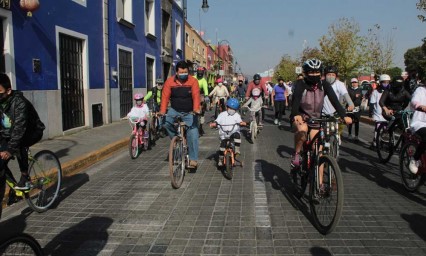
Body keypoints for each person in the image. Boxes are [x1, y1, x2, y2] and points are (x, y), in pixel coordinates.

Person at [291, 59, 351, 169]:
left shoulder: (324, 85)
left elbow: (335, 101)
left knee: (319, 152)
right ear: (306, 73)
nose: (314, 75)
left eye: (317, 72)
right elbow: (295, 101)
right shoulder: (301, 84)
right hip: (301, 116)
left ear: (321, 72)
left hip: (316, 119)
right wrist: (296, 114)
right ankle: (297, 154)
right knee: (303, 130)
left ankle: (320, 185)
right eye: (311, 72)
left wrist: (344, 116)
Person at [0, 73, 45, 207]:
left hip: (32, 131)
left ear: (8, 91)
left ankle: (25, 176)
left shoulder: (20, 103)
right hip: (8, 134)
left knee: (18, 144)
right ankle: (14, 189)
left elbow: (19, 129)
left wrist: (9, 149)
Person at [159, 61, 201, 168]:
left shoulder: (193, 81)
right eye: (181, 72)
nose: (184, 74)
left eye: (186, 72)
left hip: (189, 111)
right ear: (176, 72)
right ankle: (176, 140)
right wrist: (162, 111)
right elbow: (165, 97)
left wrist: (196, 109)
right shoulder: (169, 82)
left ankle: (193, 159)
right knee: (165, 122)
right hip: (175, 110)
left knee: (193, 133)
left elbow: (196, 96)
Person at [209, 98, 246, 166]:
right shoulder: (222, 114)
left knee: (237, 135)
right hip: (223, 135)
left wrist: (242, 123)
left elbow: (240, 121)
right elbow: (217, 121)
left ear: (236, 109)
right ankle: (220, 159)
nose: (231, 110)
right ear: (227, 107)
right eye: (230, 108)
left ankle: (237, 149)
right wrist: (214, 123)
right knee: (222, 147)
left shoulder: (237, 115)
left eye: (233, 109)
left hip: (233, 133)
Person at [408, 82, 426, 174]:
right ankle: (414, 159)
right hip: (420, 123)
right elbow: (414, 101)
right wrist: (420, 106)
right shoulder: (420, 90)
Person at [369, 74, 390, 148]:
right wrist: (370, 114)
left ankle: (384, 141)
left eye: (387, 82)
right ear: (380, 83)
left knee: (386, 128)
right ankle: (375, 141)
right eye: (384, 82)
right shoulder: (375, 92)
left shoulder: (389, 92)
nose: (386, 84)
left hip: (387, 113)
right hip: (378, 113)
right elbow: (371, 103)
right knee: (378, 128)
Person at [193, 67, 209, 136]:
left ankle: (200, 127)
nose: (200, 75)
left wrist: (206, 96)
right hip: (192, 93)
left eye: (201, 74)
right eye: (199, 73)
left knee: (203, 108)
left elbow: (205, 89)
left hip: (200, 95)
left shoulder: (203, 80)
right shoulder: (193, 78)